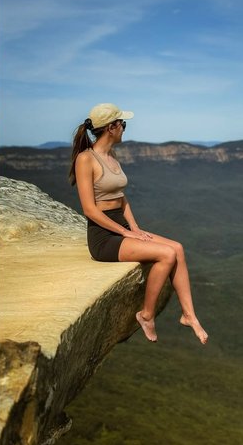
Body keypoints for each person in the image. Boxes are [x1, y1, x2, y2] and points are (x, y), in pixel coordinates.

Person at [69, 103, 208, 344]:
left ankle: (189, 316)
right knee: (165, 255)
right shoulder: (86, 159)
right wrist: (125, 232)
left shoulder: (111, 156)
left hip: (121, 227)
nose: (125, 128)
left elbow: (121, 198)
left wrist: (134, 228)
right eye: (123, 124)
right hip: (104, 236)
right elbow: (89, 209)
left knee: (178, 248)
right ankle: (146, 315)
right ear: (111, 127)